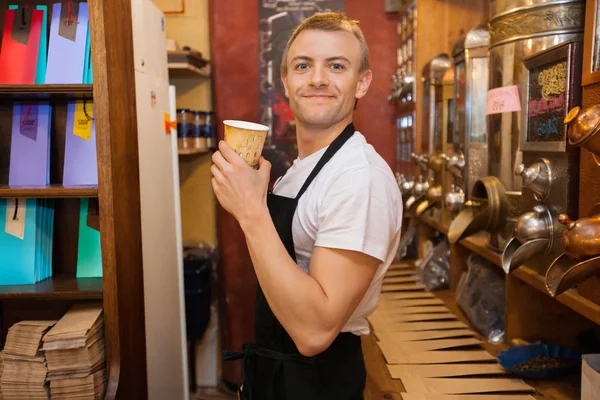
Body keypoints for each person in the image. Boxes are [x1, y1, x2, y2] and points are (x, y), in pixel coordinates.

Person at [211, 12, 403, 400]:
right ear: (285, 82)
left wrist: (251, 212)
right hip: (278, 375)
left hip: (317, 383)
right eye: (303, 66)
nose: (317, 78)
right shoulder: (301, 170)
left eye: (336, 65)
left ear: (362, 82)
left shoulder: (359, 178)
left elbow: (315, 332)